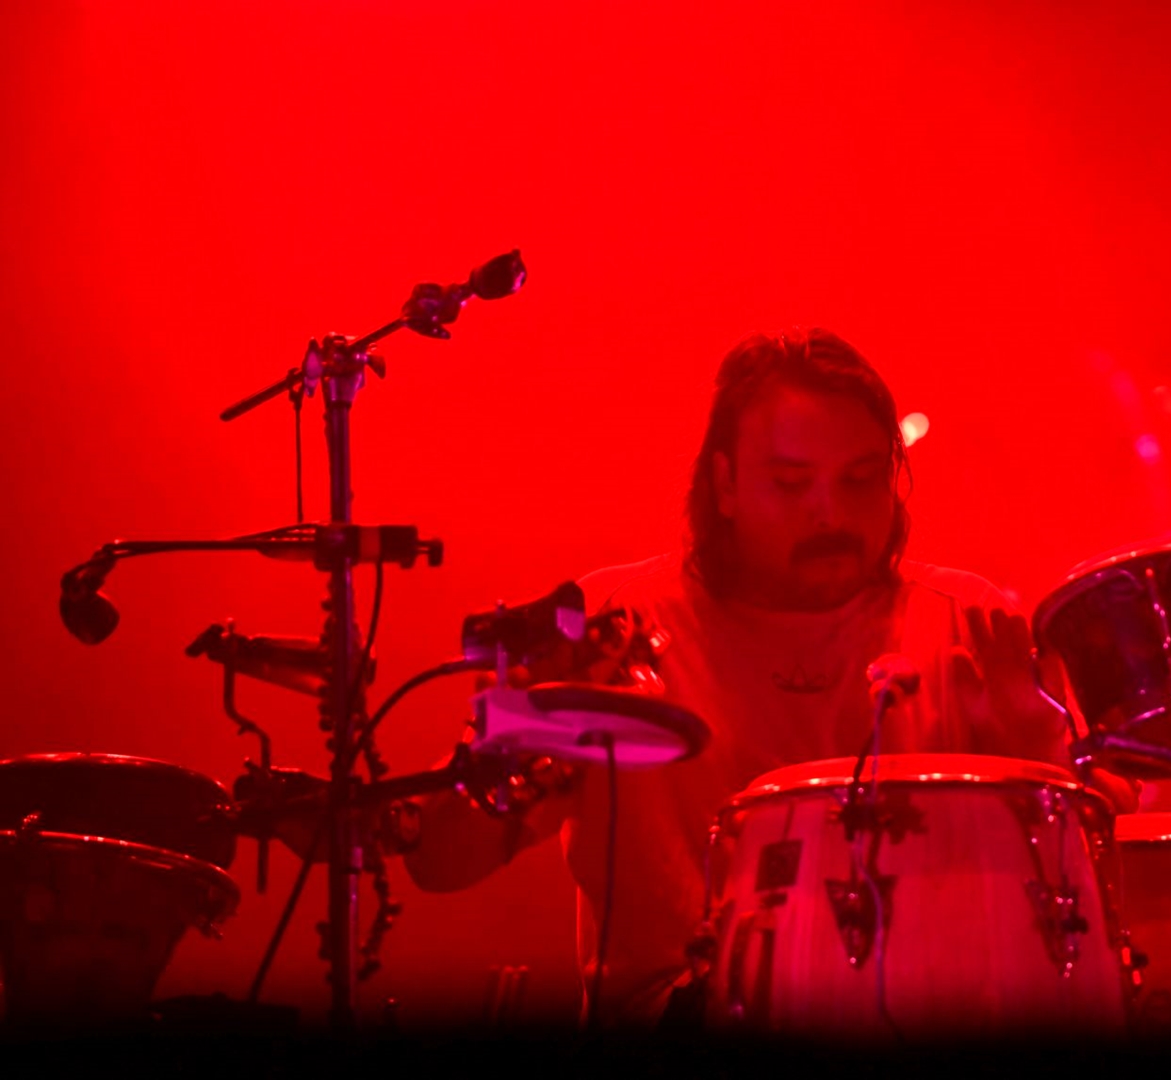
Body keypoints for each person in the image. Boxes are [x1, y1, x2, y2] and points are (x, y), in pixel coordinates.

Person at [403, 327, 1133, 1027]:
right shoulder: (611, 628)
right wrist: (506, 744)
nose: (829, 512)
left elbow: (1109, 900)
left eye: (861, 480)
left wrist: (1039, 750)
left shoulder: (968, 626)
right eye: (791, 483)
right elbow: (438, 863)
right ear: (723, 484)